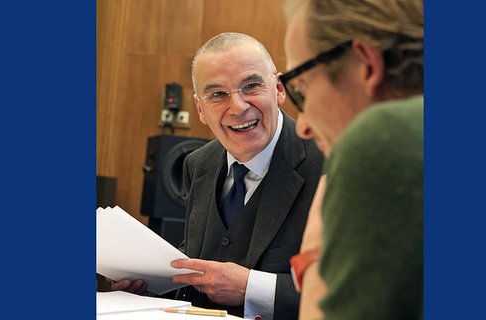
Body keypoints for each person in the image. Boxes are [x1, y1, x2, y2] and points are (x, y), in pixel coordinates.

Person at [106, 32, 324, 320]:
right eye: (218, 94)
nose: (238, 106)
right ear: (200, 109)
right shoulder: (198, 164)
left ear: (279, 89)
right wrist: (145, 288)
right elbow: (198, 279)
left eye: (251, 86)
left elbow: (355, 293)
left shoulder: (329, 164)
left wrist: (250, 287)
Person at [281, 0, 424, 319]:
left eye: (301, 88)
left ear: (367, 64)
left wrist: (315, 254)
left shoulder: (383, 139)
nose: (302, 125)